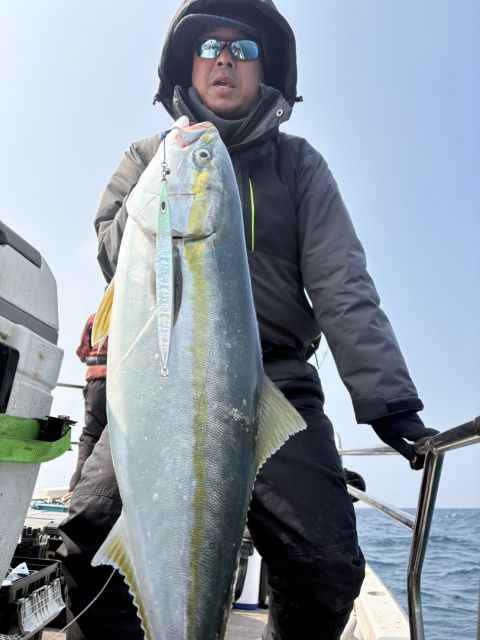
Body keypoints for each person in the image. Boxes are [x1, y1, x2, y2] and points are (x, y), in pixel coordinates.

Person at [58, 1, 438, 638]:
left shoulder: (300, 167)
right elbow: (108, 252)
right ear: (187, 66)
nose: (225, 60)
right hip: (155, 379)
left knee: (325, 565)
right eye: (209, 48)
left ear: (268, 70)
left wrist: (390, 402)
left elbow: (343, 284)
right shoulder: (148, 155)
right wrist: (162, 184)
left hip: (274, 383)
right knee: (86, 538)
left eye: (245, 49)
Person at [67, 314, 108, 495]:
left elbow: (83, 353)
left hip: (96, 382)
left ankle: (76, 490)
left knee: (91, 435)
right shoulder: (137, 313)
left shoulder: (96, 317)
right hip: (123, 382)